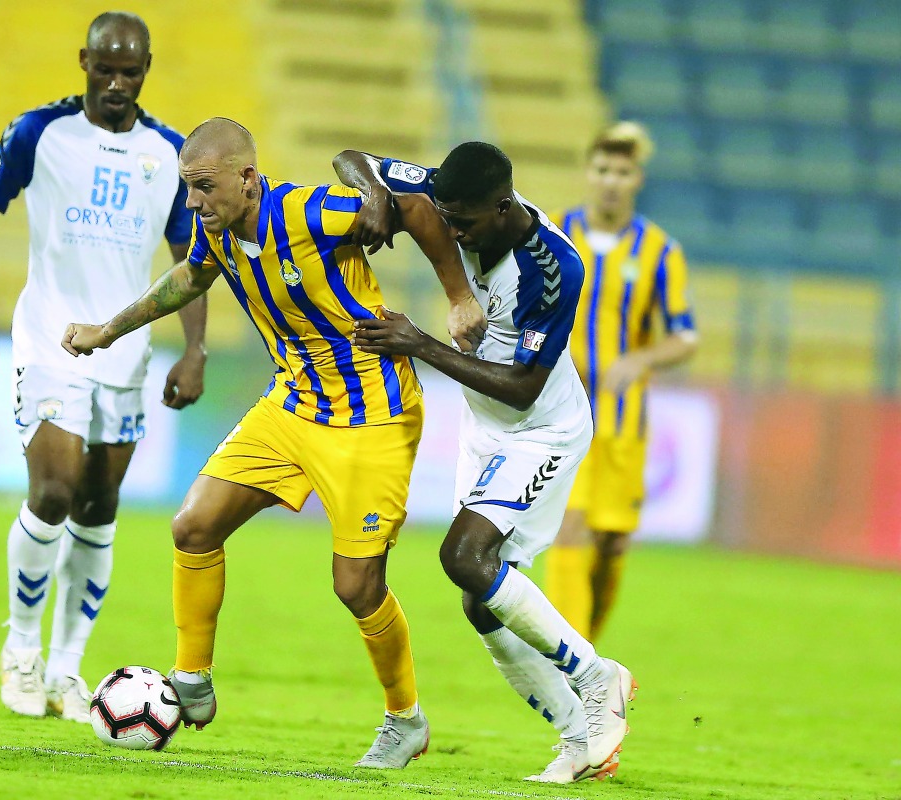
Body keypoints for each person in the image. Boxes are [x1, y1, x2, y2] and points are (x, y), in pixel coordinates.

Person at [61, 117, 485, 768]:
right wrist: (109, 330)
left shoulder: (310, 213)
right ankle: (191, 678)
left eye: (204, 188)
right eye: (187, 190)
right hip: (291, 403)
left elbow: (421, 210)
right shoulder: (217, 233)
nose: (195, 204)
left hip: (372, 414)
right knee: (194, 525)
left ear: (248, 179)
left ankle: (405, 718)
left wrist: (457, 299)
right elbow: (188, 278)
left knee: (357, 587)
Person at [334, 143, 635, 783]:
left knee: (462, 559)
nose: (453, 230)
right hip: (485, 430)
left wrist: (421, 345)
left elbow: (524, 384)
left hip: (541, 429)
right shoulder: (452, 199)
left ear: (503, 208)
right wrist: (377, 198)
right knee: (481, 600)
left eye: (464, 221)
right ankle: (578, 737)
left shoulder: (555, 267)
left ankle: (599, 679)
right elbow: (351, 157)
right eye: (445, 215)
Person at [0, 12, 208, 723]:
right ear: (83, 61)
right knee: (55, 492)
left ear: (147, 69)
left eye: (130, 72)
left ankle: (67, 671)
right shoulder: (40, 133)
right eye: (104, 69)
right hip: (50, 342)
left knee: (98, 510)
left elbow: (195, 262)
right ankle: (22, 653)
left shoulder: (172, 153)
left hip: (125, 357)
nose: (117, 84)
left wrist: (195, 348)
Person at [545, 122, 699, 640]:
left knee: (611, 544)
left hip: (622, 418)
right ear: (588, 172)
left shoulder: (660, 252)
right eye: (603, 169)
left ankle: (587, 645)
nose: (611, 180)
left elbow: (685, 336)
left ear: (638, 179)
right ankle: (570, 661)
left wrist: (641, 360)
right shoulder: (553, 234)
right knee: (570, 527)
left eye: (623, 172)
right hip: (561, 413)